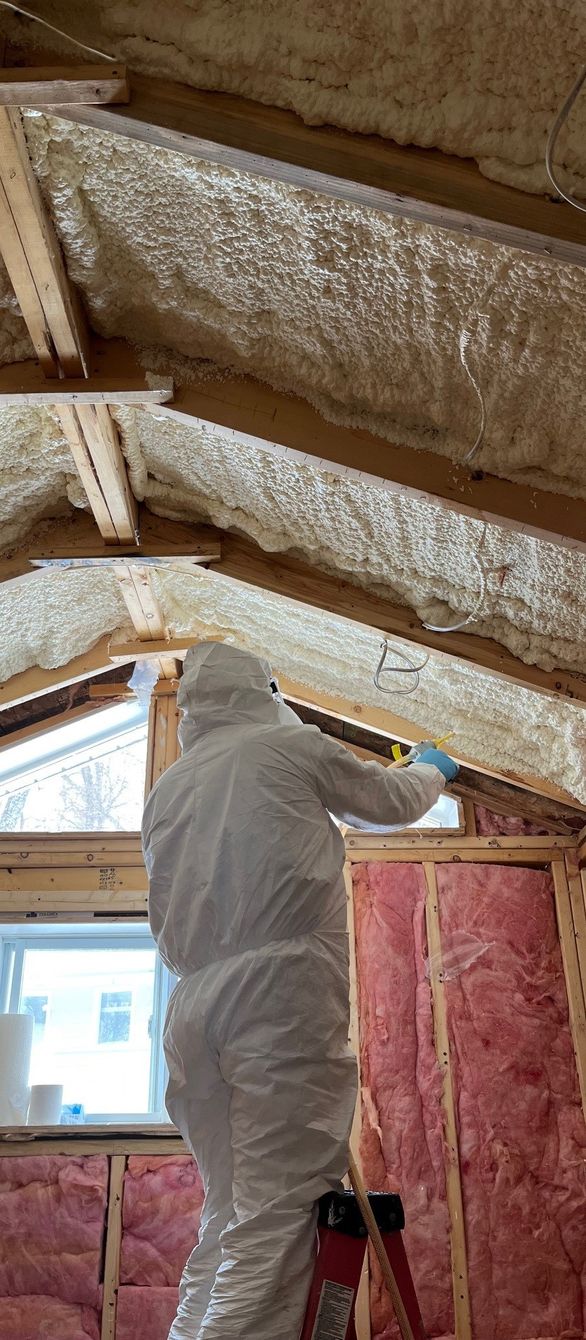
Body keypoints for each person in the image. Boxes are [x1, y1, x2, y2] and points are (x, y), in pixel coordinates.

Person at [142, 641, 458, 1340]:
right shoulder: (285, 746)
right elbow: (388, 801)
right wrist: (430, 770)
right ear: (263, 690)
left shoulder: (172, 784)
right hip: (276, 999)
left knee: (228, 1212)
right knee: (278, 1213)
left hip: (192, 1008)